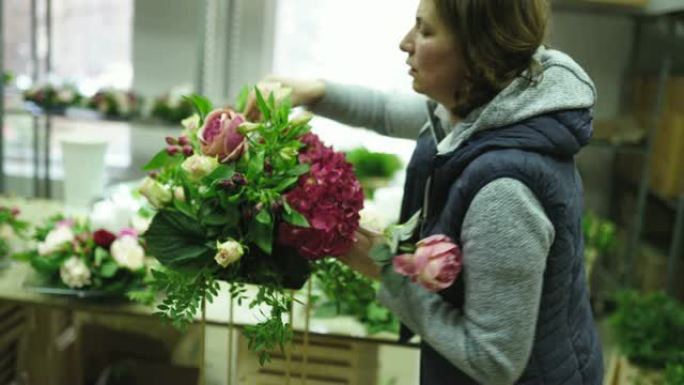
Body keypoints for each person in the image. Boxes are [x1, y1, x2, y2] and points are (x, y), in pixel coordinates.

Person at [245, 0, 603, 384]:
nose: (405, 42)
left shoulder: (504, 193)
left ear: (476, 52)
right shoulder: (484, 111)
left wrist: (386, 271)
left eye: (425, 30)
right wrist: (313, 93)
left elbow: (493, 361)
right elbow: (385, 111)